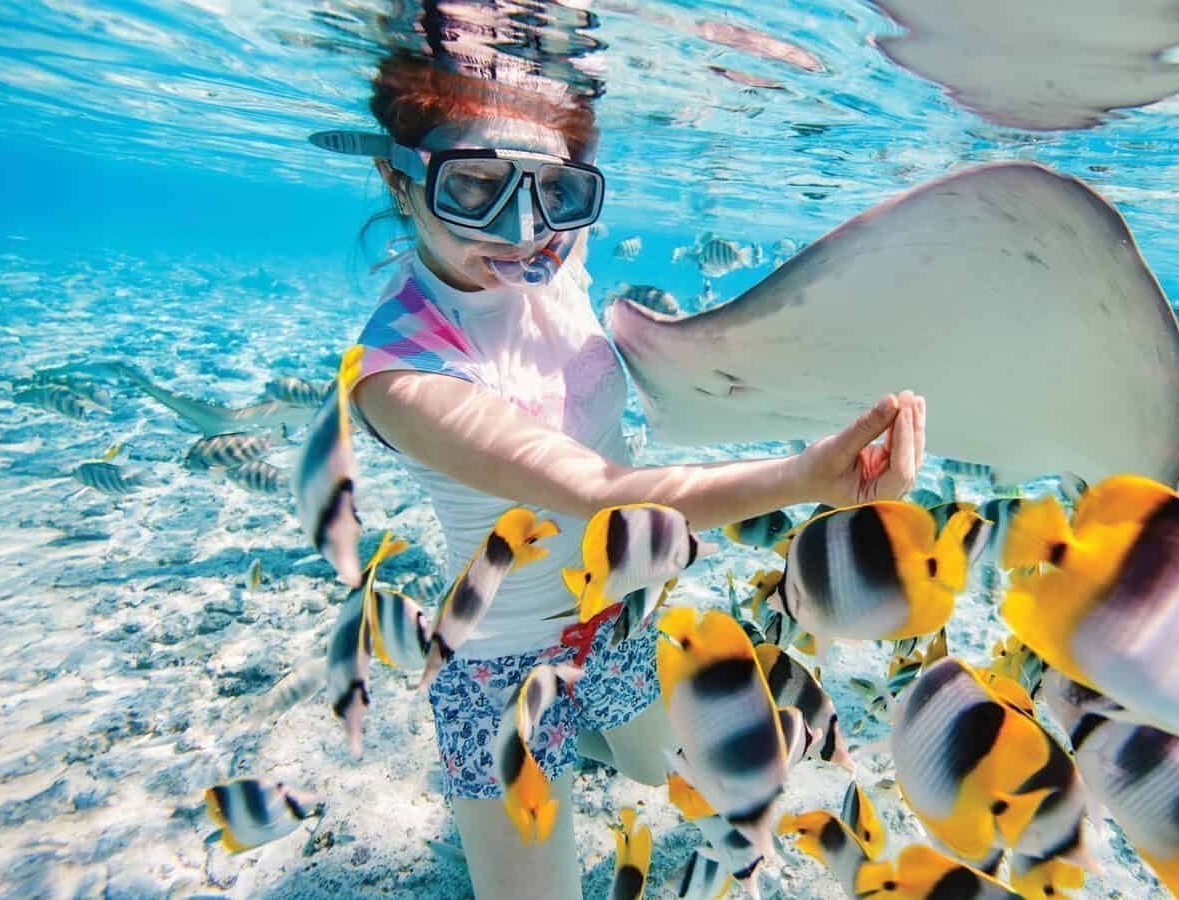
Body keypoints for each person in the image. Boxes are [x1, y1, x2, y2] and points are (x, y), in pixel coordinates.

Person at [336, 54, 927, 899]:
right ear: (400, 182)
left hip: (622, 617)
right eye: (473, 191)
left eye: (555, 194)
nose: (519, 232)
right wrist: (803, 476)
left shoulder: (557, 256)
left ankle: (590, 745)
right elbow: (596, 493)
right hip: (501, 669)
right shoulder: (398, 372)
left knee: (662, 777)